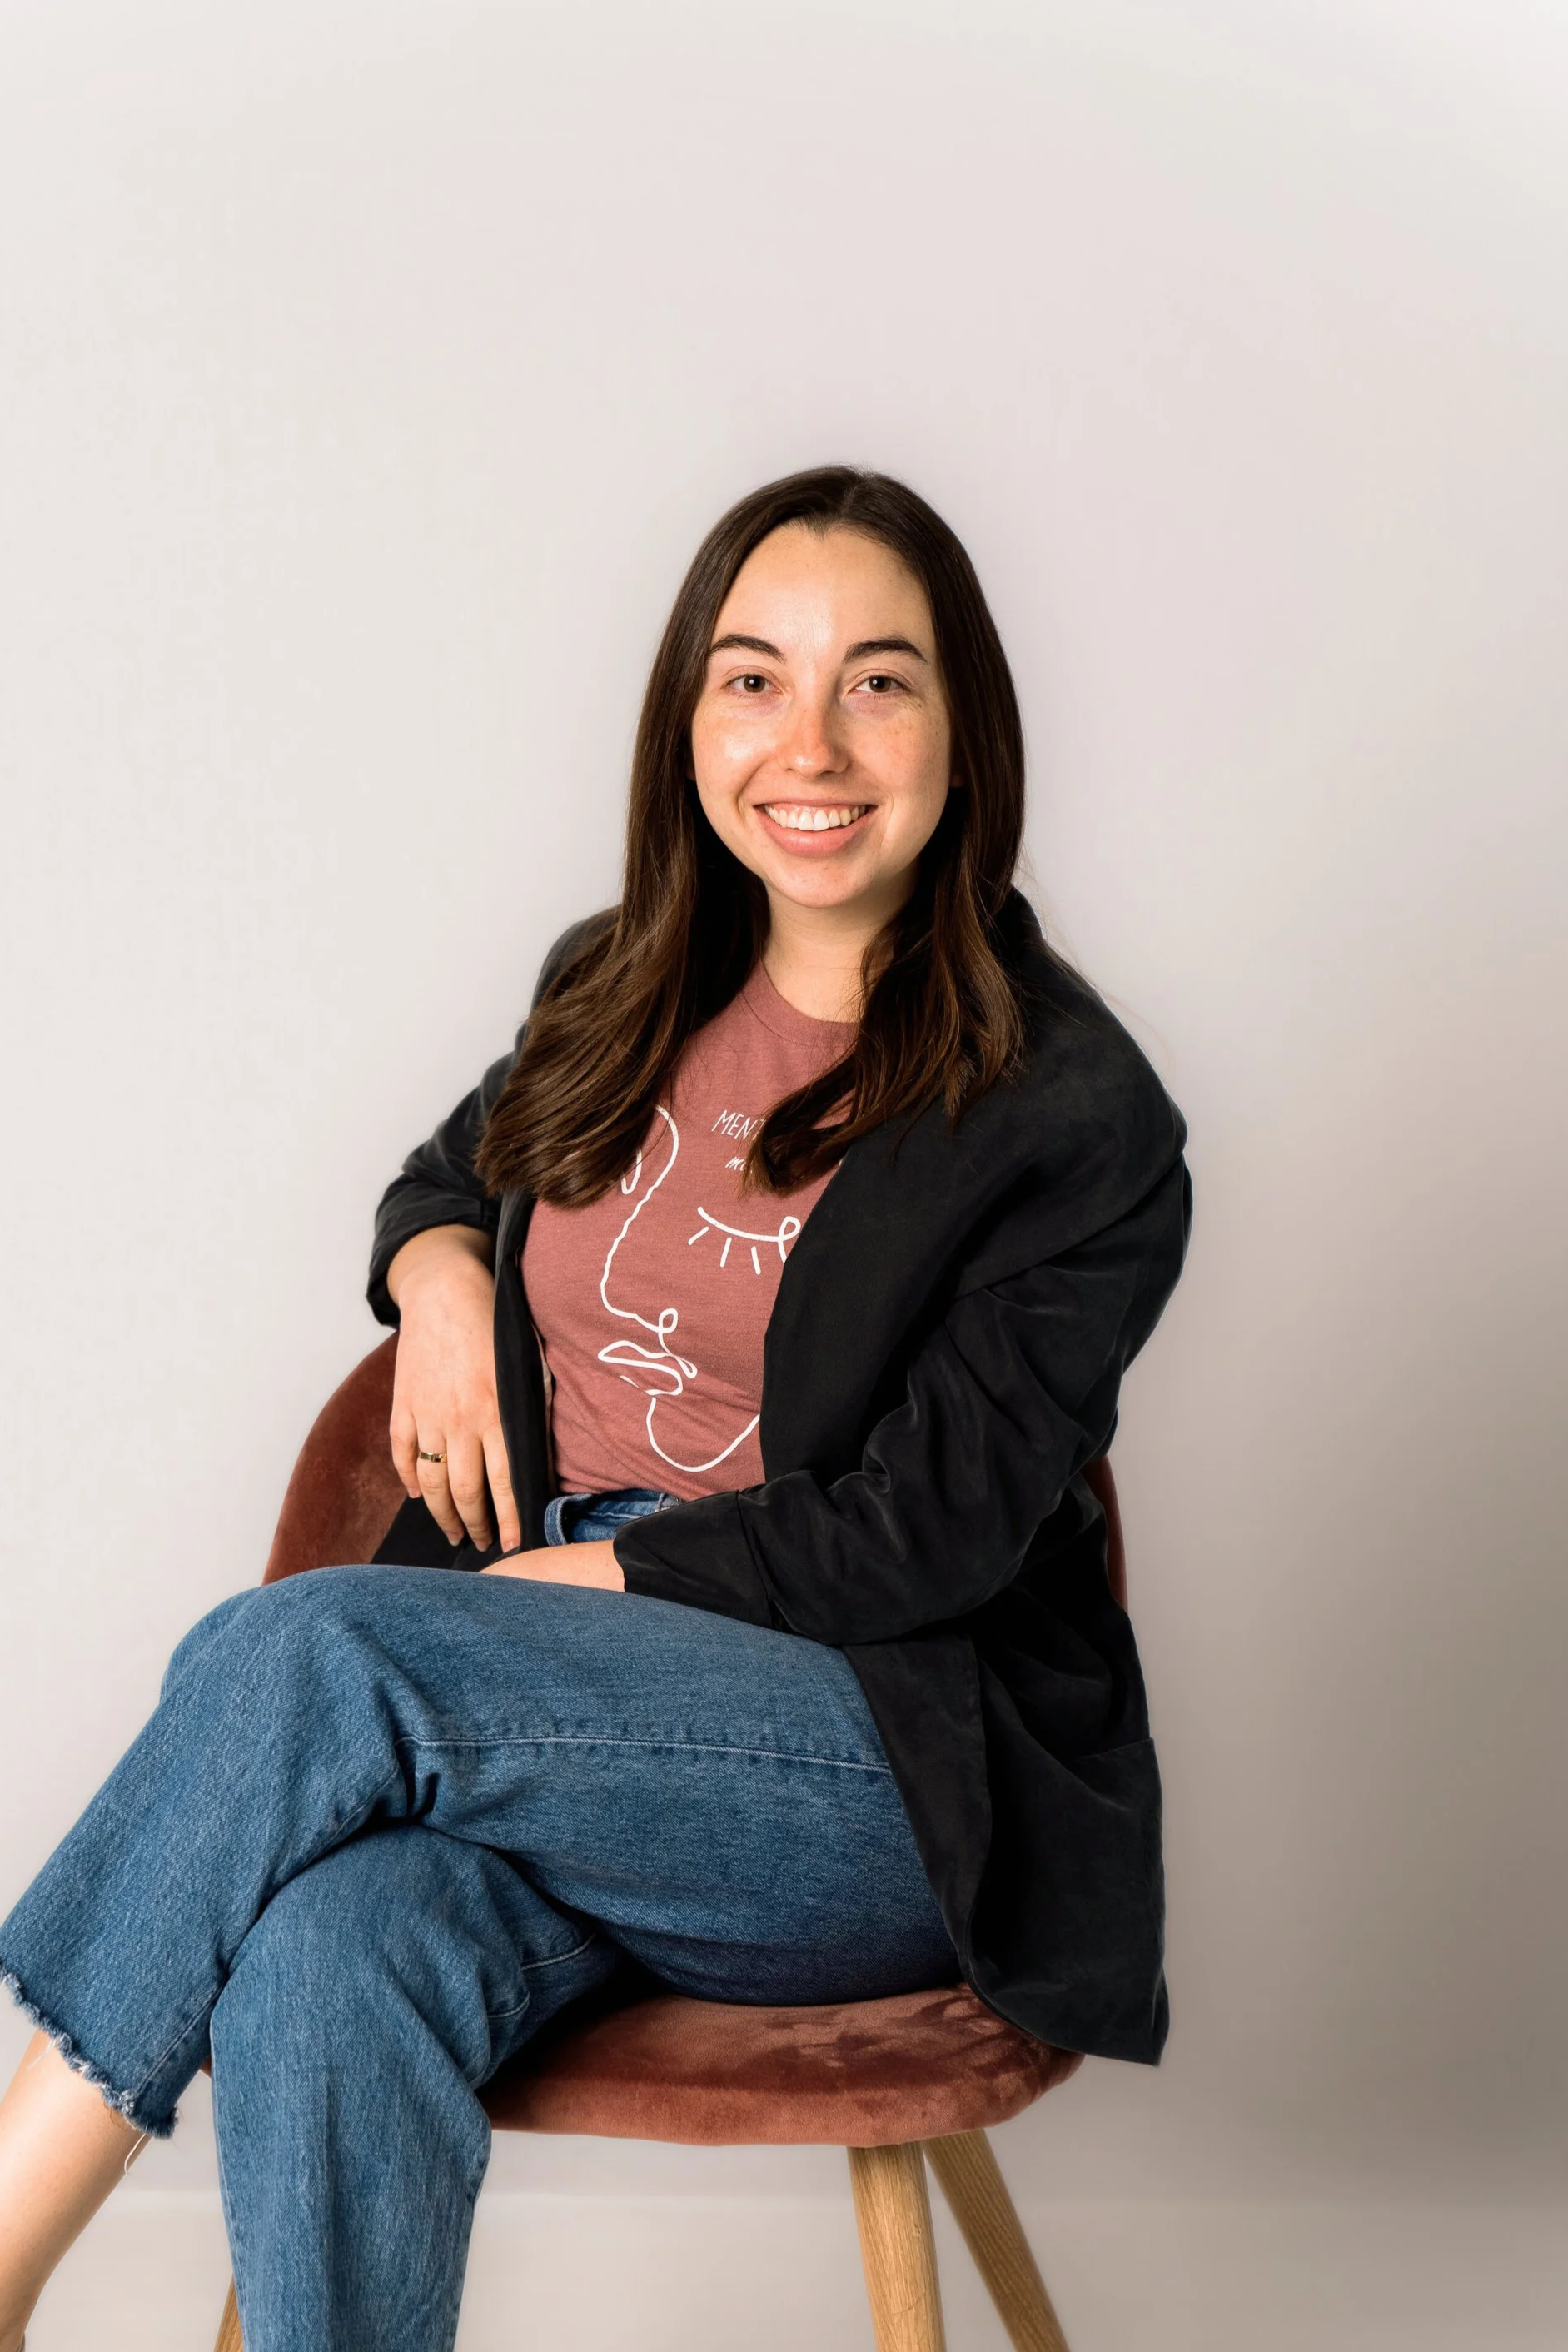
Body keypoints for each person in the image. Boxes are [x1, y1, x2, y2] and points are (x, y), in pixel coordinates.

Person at [0, 466, 1190, 2351]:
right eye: (750, 678)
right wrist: (441, 1275)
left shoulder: (1073, 1118)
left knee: (306, 1657)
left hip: (860, 1761)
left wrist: (582, 1599)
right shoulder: (622, 979)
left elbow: (928, 1529)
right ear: (686, 718)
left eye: (876, 681)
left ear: (966, 732)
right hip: (551, 1733)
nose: (807, 740)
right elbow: (448, 1164)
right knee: (329, 1947)